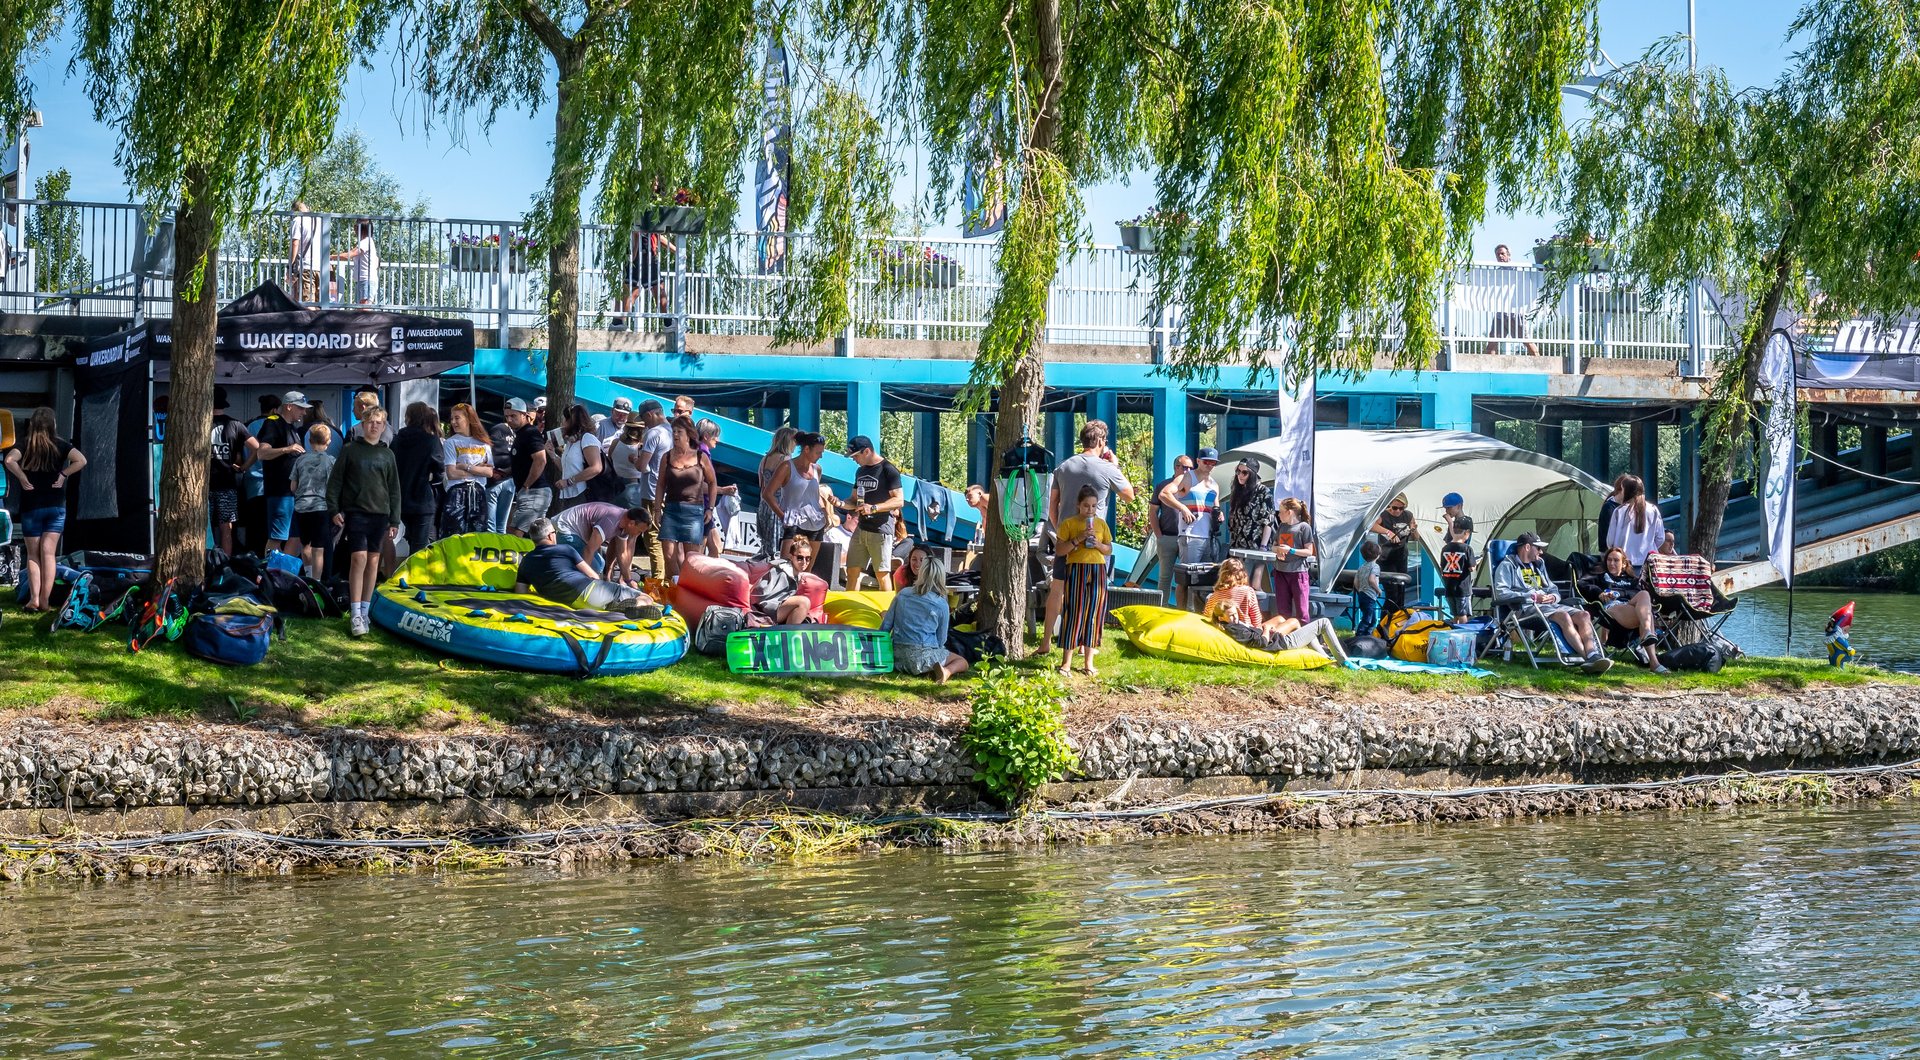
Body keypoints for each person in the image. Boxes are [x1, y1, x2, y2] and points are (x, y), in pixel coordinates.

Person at [1038, 420, 1134, 655]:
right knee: (1090, 595)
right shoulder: (1107, 468)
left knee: (1058, 590)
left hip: (1066, 537)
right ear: (1101, 441)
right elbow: (1129, 496)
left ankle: (1046, 642)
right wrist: (1115, 465)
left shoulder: (1064, 466)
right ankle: (1083, 645)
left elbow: (1052, 503)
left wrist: (1060, 526)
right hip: (1093, 542)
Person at [326, 408, 401, 636]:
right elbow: (335, 482)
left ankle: (366, 610)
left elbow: (394, 489)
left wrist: (394, 518)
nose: (374, 426)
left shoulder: (388, 455)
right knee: (358, 558)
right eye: (370, 422)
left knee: (373, 561)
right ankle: (355, 611)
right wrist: (333, 508)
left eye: (379, 423)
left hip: (381, 515)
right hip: (356, 512)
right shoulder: (350, 450)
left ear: (384, 426)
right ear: (363, 423)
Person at [1493, 531, 1610, 673]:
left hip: (1550, 606)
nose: (1541, 552)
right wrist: (1534, 598)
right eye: (1538, 548)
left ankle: (1593, 654)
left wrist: (1554, 597)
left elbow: (1553, 589)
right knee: (1564, 616)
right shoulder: (1507, 565)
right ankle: (1589, 659)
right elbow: (1501, 593)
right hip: (1526, 609)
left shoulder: (1538, 565)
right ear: (1527, 547)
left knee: (1583, 615)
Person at [4, 408, 85, 613]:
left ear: (32, 424)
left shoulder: (25, 444)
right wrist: (63, 475)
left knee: (33, 555)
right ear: (53, 424)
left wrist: (22, 478)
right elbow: (81, 460)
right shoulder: (60, 444)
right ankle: (46, 601)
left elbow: (9, 460)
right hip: (56, 506)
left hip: (32, 506)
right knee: (48, 554)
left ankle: (33, 600)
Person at [516, 518, 655, 614]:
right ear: (551, 536)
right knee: (647, 598)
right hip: (589, 590)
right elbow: (592, 575)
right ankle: (635, 606)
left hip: (568, 601)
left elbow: (520, 592)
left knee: (606, 600)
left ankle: (619, 606)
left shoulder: (526, 561)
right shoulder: (565, 549)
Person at [880, 555, 969, 684]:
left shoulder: (903, 594)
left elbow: (886, 626)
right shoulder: (941, 603)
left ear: (921, 573)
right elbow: (941, 639)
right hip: (922, 654)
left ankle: (928, 670)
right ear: (941, 576)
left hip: (895, 655)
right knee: (962, 662)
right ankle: (946, 671)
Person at [1054, 483, 1113, 675]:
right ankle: (1066, 663)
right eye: (1087, 506)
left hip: (1098, 569)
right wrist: (1078, 539)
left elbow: (1108, 549)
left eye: (1094, 506)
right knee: (1075, 612)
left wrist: (1097, 544)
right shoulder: (1069, 524)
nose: (1090, 510)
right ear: (1079, 505)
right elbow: (1060, 551)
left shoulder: (1101, 524)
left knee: (1095, 612)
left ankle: (1088, 662)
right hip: (1077, 568)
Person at [1583, 546, 1669, 674]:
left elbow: (1637, 594)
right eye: (1609, 560)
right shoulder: (1600, 575)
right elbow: (1582, 584)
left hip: (1631, 608)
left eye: (1616, 560)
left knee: (1644, 595)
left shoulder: (1632, 580)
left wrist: (1621, 593)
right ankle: (1654, 660)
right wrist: (1599, 593)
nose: (1612, 563)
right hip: (1611, 609)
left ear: (1623, 564)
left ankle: (1647, 634)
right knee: (1647, 613)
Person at [840, 434, 904, 592]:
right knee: (852, 570)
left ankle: (887, 610)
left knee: (882, 573)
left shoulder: (888, 470)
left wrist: (874, 508)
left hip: (881, 529)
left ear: (866, 451)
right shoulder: (860, 471)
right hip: (861, 528)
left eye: (855, 456)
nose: (853, 459)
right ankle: (851, 606)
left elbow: (899, 501)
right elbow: (854, 500)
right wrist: (839, 503)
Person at [657, 415, 716, 578]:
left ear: (688, 434)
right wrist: (657, 510)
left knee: (691, 558)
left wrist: (709, 508)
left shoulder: (700, 456)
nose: (675, 434)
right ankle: (676, 585)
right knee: (668, 554)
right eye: (673, 431)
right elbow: (661, 484)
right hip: (671, 509)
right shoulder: (667, 457)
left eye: (679, 431)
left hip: (693, 511)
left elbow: (712, 483)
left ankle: (686, 586)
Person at [1131, 454, 1193, 604]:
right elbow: (1153, 511)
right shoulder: (1163, 485)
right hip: (1167, 536)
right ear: (1176, 467)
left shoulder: (1193, 486)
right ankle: (1162, 608)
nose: (1188, 471)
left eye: (1191, 468)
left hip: (1188, 538)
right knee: (1165, 577)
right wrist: (1159, 535)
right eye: (1185, 467)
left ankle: (1184, 612)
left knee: (1189, 577)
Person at [256, 391, 311, 557]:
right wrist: (287, 449)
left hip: (294, 494)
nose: (304, 412)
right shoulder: (272, 424)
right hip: (280, 493)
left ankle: (285, 574)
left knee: (295, 537)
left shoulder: (292, 428)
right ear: (289, 406)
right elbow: (262, 453)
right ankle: (271, 576)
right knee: (276, 538)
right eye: (300, 408)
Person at [207, 386, 260, 557]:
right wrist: (244, 467)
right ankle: (226, 566)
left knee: (202, 528)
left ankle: (204, 564)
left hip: (202, 484)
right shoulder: (236, 425)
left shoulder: (198, 423)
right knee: (227, 529)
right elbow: (257, 448)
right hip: (227, 482)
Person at [393, 401, 443, 553]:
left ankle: (409, 572)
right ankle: (416, 575)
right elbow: (440, 467)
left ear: (407, 417)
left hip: (401, 497)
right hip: (422, 498)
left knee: (412, 538)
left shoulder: (397, 440)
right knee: (420, 544)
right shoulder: (430, 440)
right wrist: (433, 480)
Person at [440, 402, 493, 539]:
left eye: (457, 418)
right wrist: (478, 469)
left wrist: (465, 466)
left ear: (469, 419)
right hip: (457, 491)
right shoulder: (451, 442)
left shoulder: (484, 443)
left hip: (478, 492)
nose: (453, 422)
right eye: (452, 419)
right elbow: (451, 473)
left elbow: (490, 472)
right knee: (454, 533)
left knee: (477, 534)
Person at [292, 423, 337, 581]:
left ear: (310, 441)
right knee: (318, 548)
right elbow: (333, 485)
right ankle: (317, 581)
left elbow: (293, 486)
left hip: (302, 508)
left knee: (305, 545)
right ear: (329, 441)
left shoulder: (300, 460)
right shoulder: (331, 461)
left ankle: (308, 575)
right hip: (321, 508)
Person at [765, 430, 827, 543]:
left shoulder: (817, 469)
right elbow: (767, 494)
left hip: (816, 523)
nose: (821, 456)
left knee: (810, 560)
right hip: (794, 522)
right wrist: (783, 516)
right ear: (807, 449)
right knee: (787, 559)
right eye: (818, 452)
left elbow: (815, 496)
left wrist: (825, 513)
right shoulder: (787, 467)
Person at [553, 500, 645, 574]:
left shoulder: (624, 526)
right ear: (632, 523)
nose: (638, 534)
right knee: (595, 567)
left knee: (600, 564)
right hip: (566, 528)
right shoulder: (611, 521)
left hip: (577, 533)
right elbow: (589, 550)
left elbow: (621, 554)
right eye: (639, 531)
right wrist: (585, 581)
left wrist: (627, 580)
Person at [504, 398, 552, 534]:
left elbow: (541, 460)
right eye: (507, 416)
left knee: (515, 534)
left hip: (534, 491)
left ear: (525, 415)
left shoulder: (530, 433)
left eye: (513, 416)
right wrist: (504, 472)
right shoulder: (521, 434)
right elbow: (522, 463)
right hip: (530, 492)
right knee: (533, 536)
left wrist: (526, 485)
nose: (509, 420)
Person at [1227, 458, 1276, 588]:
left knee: (1253, 582)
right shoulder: (1237, 491)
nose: (1240, 475)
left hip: (1256, 544)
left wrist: (1263, 547)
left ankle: (1254, 607)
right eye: (1238, 471)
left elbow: (1268, 521)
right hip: (1238, 544)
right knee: (1238, 582)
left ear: (1252, 474)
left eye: (1244, 472)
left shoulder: (1263, 491)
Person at [1266, 497, 1316, 622]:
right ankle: (1284, 636)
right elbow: (1273, 547)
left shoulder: (1304, 527)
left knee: (1302, 610)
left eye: (1281, 512)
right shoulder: (1282, 527)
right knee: (1282, 610)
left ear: (1289, 512)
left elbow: (1309, 551)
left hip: (1298, 573)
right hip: (1281, 571)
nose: (1279, 515)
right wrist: (1278, 550)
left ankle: (1304, 634)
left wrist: (1291, 550)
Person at [1484, 243, 1539, 356]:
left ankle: (1539, 362)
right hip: (1500, 313)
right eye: (1498, 254)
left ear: (1508, 255)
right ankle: (1488, 366)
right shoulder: (1496, 273)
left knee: (1526, 340)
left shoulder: (1518, 270)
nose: (1500, 256)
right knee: (1492, 342)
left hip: (1516, 313)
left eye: (1502, 254)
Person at [548, 404, 603, 512]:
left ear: (571, 421)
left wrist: (569, 481)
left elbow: (596, 468)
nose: (562, 422)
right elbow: (567, 469)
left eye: (565, 419)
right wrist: (552, 454)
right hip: (569, 495)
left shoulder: (587, 438)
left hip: (583, 495)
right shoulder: (571, 442)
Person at [755, 426, 799, 558]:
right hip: (778, 506)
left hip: (764, 506)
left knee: (766, 546)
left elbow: (761, 484)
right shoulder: (786, 461)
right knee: (779, 548)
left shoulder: (765, 459)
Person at [1368, 493, 1416, 614]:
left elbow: (1416, 538)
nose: (1397, 511)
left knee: (1401, 593)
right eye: (1395, 508)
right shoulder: (1384, 515)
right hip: (1386, 558)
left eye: (1401, 508)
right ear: (1390, 505)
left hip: (1401, 557)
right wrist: (1388, 532)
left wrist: (1414, 530)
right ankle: (1385, 622)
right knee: (1392, 593)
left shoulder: (1408, 515)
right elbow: (1371, 526)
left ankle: (1397, 621)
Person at [1606, 474, 1665, 569]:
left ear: (1627, 491)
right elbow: (1660, 538)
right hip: (1648, 563)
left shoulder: (1619, 511)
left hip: (1624, 563)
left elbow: (1610, 541)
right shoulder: (1653, 510)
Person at [330, 218, 380, 305]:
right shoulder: (367, 242)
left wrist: (331, 257)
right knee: (360, 310)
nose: (354, 230)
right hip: (363, 280)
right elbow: (377, 261)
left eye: (356, 227)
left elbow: (349, 255)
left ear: (362, 229)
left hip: (366, 281)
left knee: (364, 310)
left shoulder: (366, 242)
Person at [1437, 515, 1476, 620]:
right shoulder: (1467, 549)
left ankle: (1453, 633)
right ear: (1466, 532)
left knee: (1455, 616)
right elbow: (1472, 568)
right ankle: (1463, 635)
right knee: (1463, 614)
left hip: (1449, 588)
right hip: (1462, 589)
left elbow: (1442, 568)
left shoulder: (1445, 548)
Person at [288, 200, 325, 304]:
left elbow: (295, 243)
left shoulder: (298, 220)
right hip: (321, 266)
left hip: (307, 267)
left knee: (308, 302)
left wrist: (290, 266)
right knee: (319, 303)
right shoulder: (318, 220)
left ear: (294, 210)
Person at [486, 419, 517, 533]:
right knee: (501, 525)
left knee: (491, 525)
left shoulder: (496, 429)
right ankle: (500, 550)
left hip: (495, 480)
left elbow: (487, 452)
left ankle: (491, 549)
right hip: (508, 480)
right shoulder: (516, 434)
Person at [1353, 540, 1383, 635]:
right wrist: (1378, 590)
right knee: (1367, 620)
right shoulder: (1375, 566)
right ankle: (1359, 637)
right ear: (1378, 554)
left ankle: (1367, 637)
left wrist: (1361, 590)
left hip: (1362, 595)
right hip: (1370, 596)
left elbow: (1355, 582)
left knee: (1372, 619)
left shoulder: (1361, 567)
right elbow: (1371, 579)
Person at [1597, 474, 1628, 555]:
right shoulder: (1609, 508)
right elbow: (1606, 535)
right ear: (1622, 489)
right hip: (1610, 553)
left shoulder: (1625, 507)